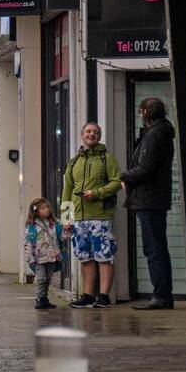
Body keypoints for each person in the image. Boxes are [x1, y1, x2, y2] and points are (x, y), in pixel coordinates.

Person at [61, 121, 123, 309]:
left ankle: (103, 296)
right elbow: (67, 190)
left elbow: (116, 182)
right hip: (79, 218)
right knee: (85, 257)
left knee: (104, 256)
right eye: (88, 131)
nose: (91, 134)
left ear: (99, 136)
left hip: (100, 217)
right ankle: (88, 295)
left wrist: (97, 193)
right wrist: (66, 218)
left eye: (95, 132)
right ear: (82, 135)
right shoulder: (74, 162)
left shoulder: (107, 158)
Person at [122, 97, 176, 310]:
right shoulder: (161, 133)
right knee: (156, 248)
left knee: (154, 249)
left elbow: (146, 168)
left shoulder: (154, 135)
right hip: (153, 198)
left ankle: (161, 296)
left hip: (149, 199)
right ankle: (162, 294)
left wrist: (123, 176)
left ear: (144, 112)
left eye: (140, 111)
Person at [24, 198, 63, 310]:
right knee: (41, 279)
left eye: (48, 207)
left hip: (52, 256)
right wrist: (30, 258)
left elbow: (62, 236)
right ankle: (40, 298)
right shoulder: (32, 227)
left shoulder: (54, 224)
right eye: (43, 208)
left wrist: (68, 229)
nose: (47, 210)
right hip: (39, 258)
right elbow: (28, 243)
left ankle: (44, 298)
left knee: (48, 278)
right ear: (36, 211)